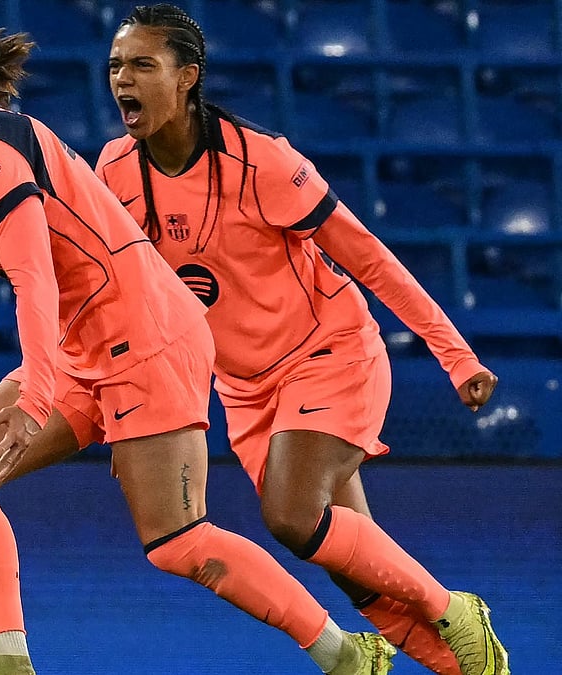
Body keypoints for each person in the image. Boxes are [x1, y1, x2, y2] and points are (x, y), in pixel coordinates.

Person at [0, 29, 397, 675]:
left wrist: (37, 397)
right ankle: (7, 659)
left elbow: (34, 278)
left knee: (178, 541)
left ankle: (348, 654)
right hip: (88, 346)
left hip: (149, 340)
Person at [89, 5, 510, 675]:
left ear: (188, 76)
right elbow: (127, 308)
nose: (122, 80)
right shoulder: (112, 173)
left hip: (329, 354)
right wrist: (129, 418)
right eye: (116, 65)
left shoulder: (264, 163)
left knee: (291, 515)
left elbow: (368, 258)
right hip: (245, 388)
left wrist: (455, 354)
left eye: (143, 64)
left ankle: (457, 610)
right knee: (356, 567)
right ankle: (474, 669)